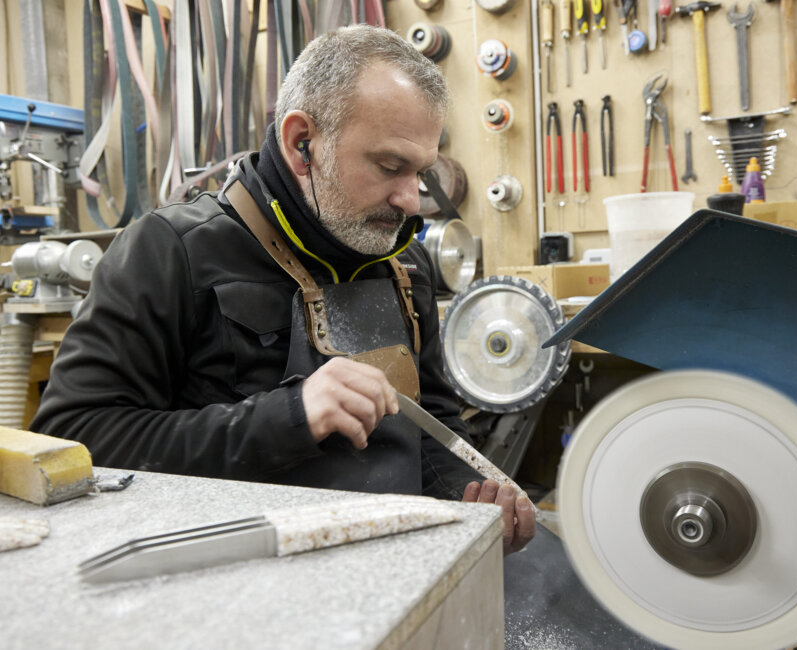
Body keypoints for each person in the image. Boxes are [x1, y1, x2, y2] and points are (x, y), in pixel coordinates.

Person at [31, 24, 535, 555]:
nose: (411, 200)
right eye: (390, 167)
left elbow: (432, 419)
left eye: (421, 173)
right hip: (234, 583)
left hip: (393, 568)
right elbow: (75, 437)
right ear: (302, 144)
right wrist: (288, 418)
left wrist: (468, 499)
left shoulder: (403, 264)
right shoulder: (171, 252)